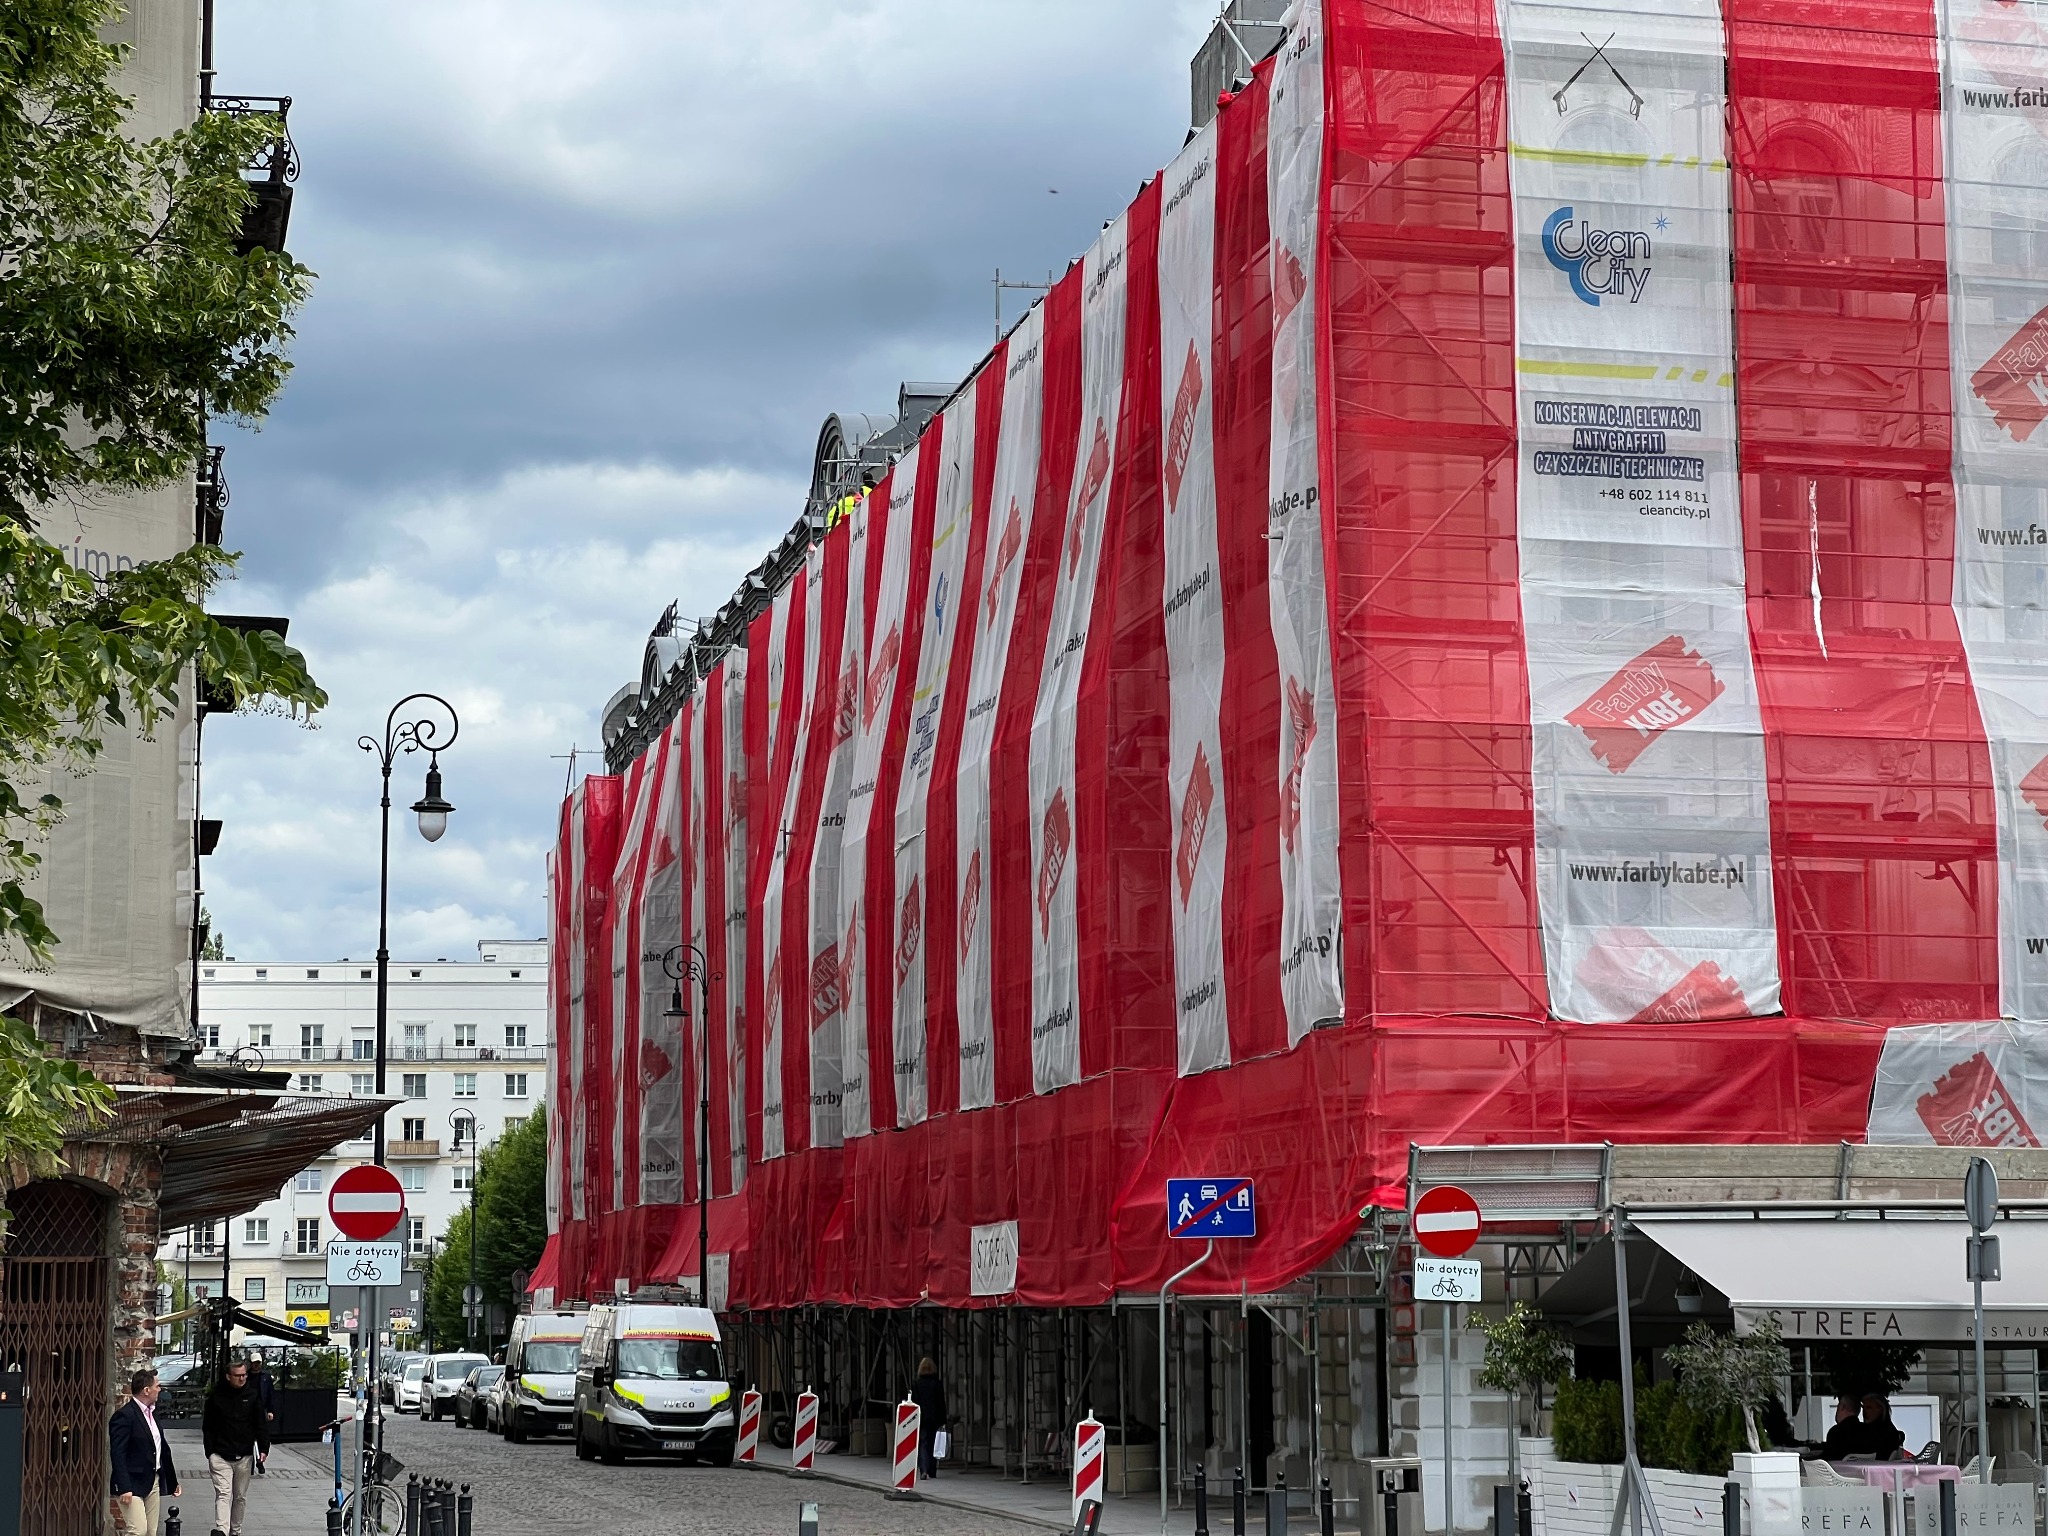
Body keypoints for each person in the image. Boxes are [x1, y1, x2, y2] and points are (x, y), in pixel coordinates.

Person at [202, 1355, 270, 1536]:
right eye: (238, 1375)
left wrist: (264, 1448)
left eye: (244, 1375)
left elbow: (260, 1424)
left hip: (245, 1455)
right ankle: (221, 1530)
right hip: (220, 1454)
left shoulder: (252, 1396)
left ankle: (235, 1530)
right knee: (223, 1493)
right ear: (228, 1376)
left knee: (239, 1496)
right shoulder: (216, 1397)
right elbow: (207, 1426)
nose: (242, 1378)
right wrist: (210, 1451)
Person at [109, 1368, 180, 1536]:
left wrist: (172, 1481)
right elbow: (118, 1453)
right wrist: (124, 1486)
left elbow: (162, 1448)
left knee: (150, 1531)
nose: (160, 1389)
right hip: (132, 1482)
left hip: (152, 1480)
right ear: (146, 1390)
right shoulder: (125, 1416)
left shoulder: (152, 1413)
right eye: (157, 1386)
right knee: (138, 1531)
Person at [909, 1357, 948, 1480]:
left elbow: (913, 1402)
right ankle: (932, 1470)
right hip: (935, 1418)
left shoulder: (916, 1384)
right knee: (934, 1444)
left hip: (921, 1417)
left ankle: (923, 1469)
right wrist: (943, 1420)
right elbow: (941, 1403)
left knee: (923, 1444)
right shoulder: (937, 1384)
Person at [247, 1357, 277, 1475]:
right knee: (249, 1436)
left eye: (258, 1363)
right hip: (249, 1409)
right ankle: (251, 1462)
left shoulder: (265, 1376)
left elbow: (270, 1394)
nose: (256, 1365)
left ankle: (261, 1460)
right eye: (254, 1363)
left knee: (262, 1436)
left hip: (261, 1409)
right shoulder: (246, 1376)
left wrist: (270, 1410)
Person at [1861, 1395, 1907, 1460]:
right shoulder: (1887, 1429)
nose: (1864, 1412)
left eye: (1869, 1407)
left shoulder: (1885, 1432)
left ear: (1880, 1409)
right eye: (1863, 1407)